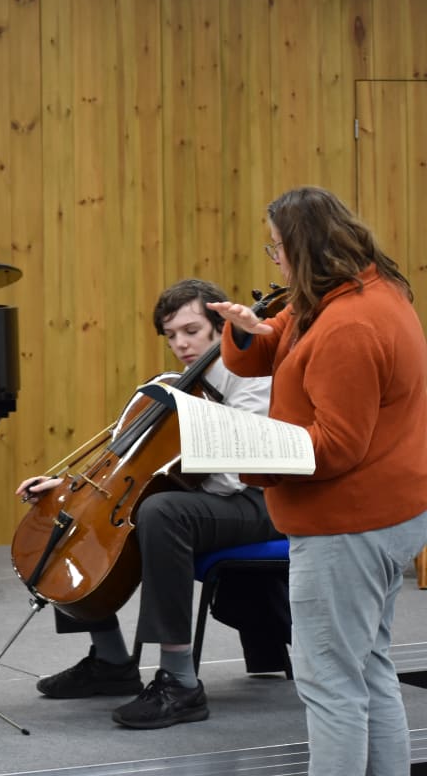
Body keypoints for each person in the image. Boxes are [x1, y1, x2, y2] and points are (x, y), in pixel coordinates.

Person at [211, 186, 427, 775]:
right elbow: (274, 348)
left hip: (349, 525)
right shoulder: (351, 292)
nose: (273, 259)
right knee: (368, 667)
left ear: (304, 250)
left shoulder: (350, 326)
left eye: (278, 248)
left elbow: (335, 448)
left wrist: (241, 458)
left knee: (329, 684)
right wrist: (249, 328)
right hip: (383, 514)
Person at [16, 279, 285, 729]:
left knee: (162, 512)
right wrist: (67, 486)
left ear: (221, 326)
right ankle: (111, 661)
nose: (180, 343)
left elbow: (243, 474)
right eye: (171, 335)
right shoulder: (174, 387)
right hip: (207, 497)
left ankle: (180, 682)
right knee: (70, 515)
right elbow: (123, 462)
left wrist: (162, 484)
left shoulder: (253, 377)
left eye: (191, 330)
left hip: (261, 502)